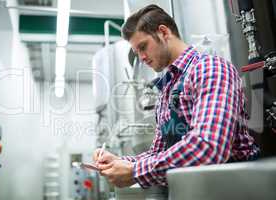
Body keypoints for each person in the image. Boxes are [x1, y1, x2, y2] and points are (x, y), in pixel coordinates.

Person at [93, 4, 260, 188]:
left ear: (164, 32)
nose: (141, 57)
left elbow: (208, 147)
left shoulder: (209, 69)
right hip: (195, 190)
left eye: (143, 47)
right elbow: (159, 153)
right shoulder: (167, 90)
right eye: (136, 52)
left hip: (233, 189)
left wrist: (134, 171)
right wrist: (119, 161)